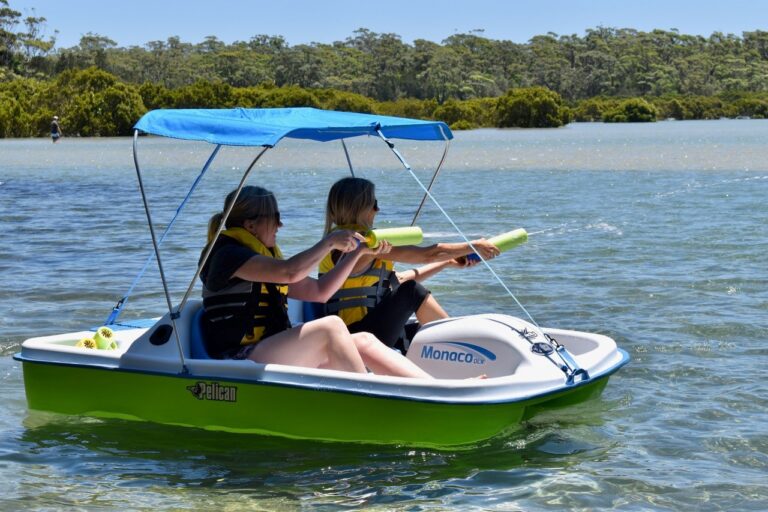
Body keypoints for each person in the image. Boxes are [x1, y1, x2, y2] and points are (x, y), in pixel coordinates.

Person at [199, 185, 432, 379]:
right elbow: (290, 272)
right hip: (238, 358)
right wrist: (329, 242)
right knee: (330, 327)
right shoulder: (227, 255)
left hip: (269, 351)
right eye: (276, 218)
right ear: (250, 225)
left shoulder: (262, 262)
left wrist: (358, 252)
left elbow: (321, 291)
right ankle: (370, 400)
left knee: (364, 340)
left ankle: (432, 391)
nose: (280, 226)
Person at [321, 177, 501, 351]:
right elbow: (428, 255)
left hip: (363, 331)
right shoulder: (359, 244)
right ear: (362, 208)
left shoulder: (334, 242)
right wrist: (473, 246)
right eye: (374, 203)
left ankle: (460, 353)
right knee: (412, 291)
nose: (378, 209)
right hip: (354, 336)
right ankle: (466, 351)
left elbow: (397, 279)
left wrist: (446, 263)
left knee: (422, 333)